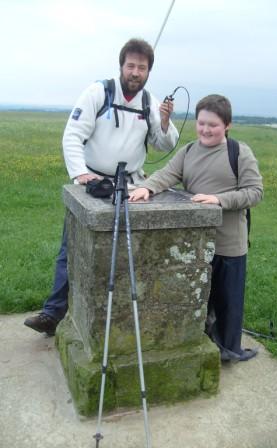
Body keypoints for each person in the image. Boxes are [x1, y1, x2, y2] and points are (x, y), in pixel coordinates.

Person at [24, 38, 179, 336]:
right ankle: (54, 312)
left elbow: (164, 144)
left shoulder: (149, 101)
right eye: (131, 65)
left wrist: (164, 120)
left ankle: (117, 314)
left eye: (142, 68)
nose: (135, 72)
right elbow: (72, 135)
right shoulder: (98, 92)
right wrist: (80, 173)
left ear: (149, 72)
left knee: (129, 247)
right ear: (121, 66)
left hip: (132, 183)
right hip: (95, 182)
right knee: (72, 245)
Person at [129, 94, 263, 362]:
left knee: (228, 303)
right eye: (201, 123)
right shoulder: (189, 150)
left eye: (212, 125)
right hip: (193, 243)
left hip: (228, 243)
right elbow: (167, 174)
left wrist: (219, 200)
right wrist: (146, 187)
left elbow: (255, 192)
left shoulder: (239, 152)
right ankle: (197, 342)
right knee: (196, 298)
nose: (205, 130)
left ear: (227, 125)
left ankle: (228, 351)